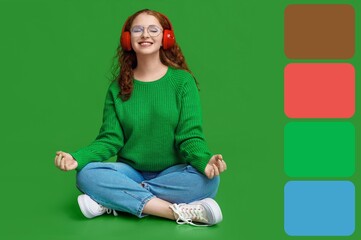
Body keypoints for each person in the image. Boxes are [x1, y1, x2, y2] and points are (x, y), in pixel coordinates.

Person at [54, 9, 227, 227]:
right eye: (138, 29)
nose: (145, 34)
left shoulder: (183, 82)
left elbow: (189, 136)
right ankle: (175, 212)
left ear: (166, 37)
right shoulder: (118, 88)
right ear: (128, 39)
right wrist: (76, 158)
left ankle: (116, 200)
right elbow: (110, 140)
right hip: (130, 171)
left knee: (208, 181)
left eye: (153, 29)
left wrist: (205, 161)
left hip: (172, 172)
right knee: (85, 174)